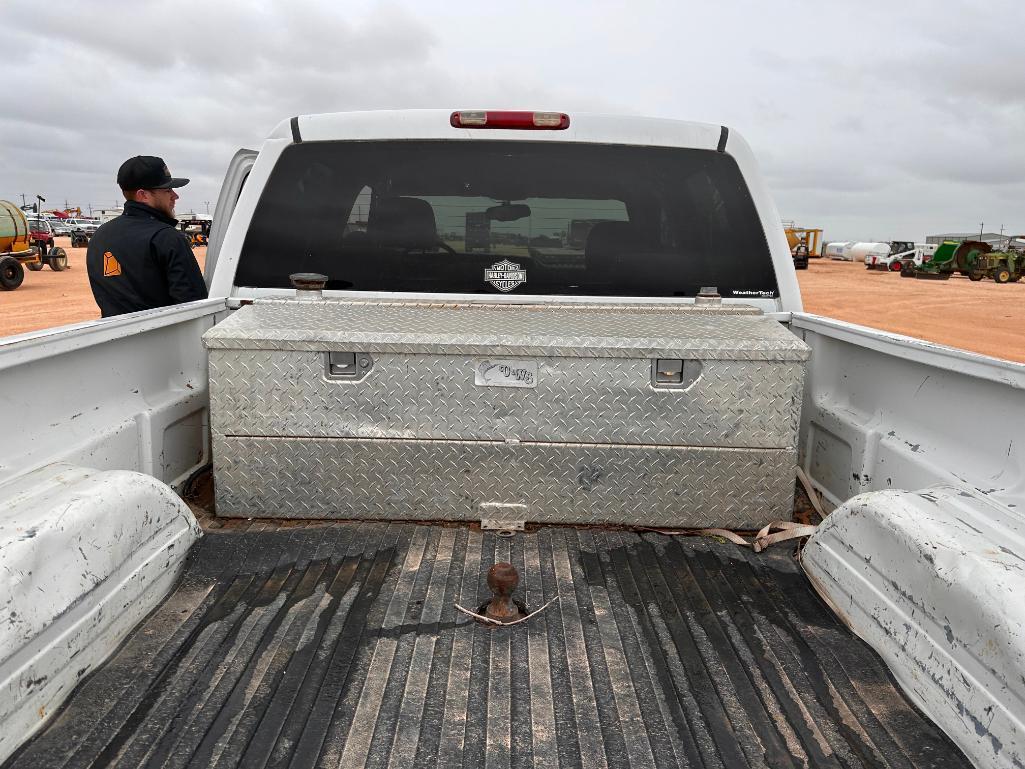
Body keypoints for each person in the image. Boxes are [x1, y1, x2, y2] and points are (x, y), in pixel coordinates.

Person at [86, 156, 208, 317]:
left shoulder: (99, 237)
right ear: (143, 195)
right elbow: (194, 305)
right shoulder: (166, 238)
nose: (175, 196)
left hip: (117, 339)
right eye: (167, 190)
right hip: (166, 338)